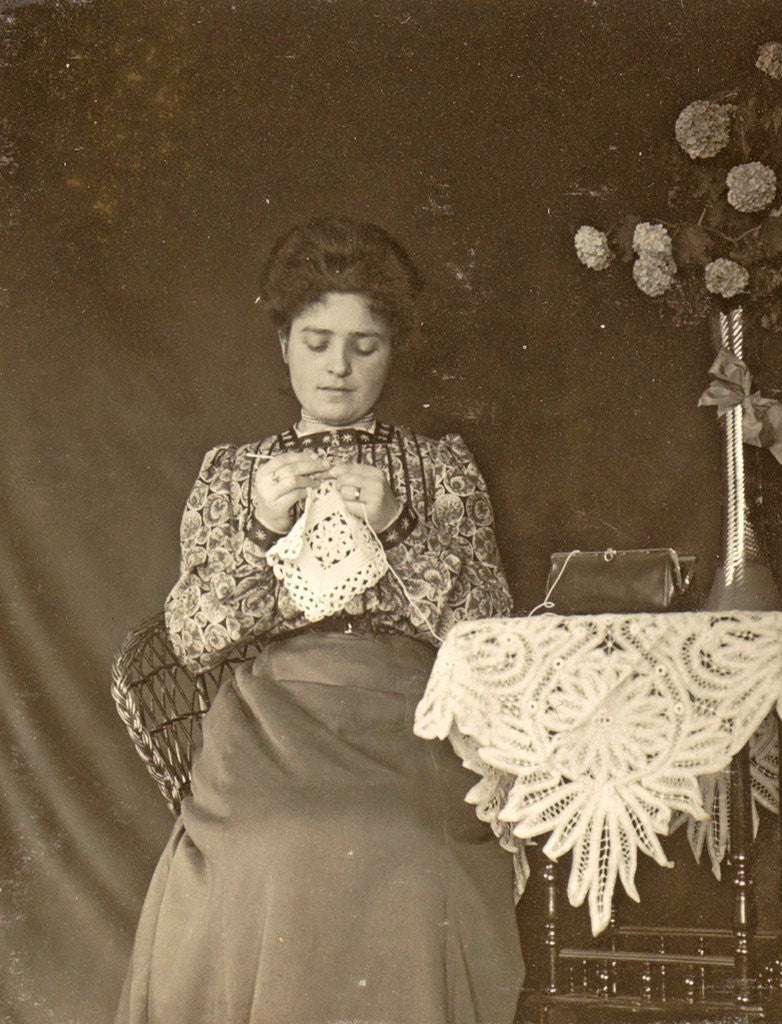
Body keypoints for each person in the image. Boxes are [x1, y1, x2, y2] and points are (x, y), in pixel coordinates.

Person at [116, 217, 525, 1024]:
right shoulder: (233, 472)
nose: (339, 366)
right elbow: (191, 636)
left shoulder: (440, 467)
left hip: (412, 716)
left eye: (364, 345)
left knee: (411, 850)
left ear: (392, 351)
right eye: (317, 341)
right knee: (269, 845)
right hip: (271, 718)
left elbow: (492, 632)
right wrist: (258, 531)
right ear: (284, 345)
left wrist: (401, 527)